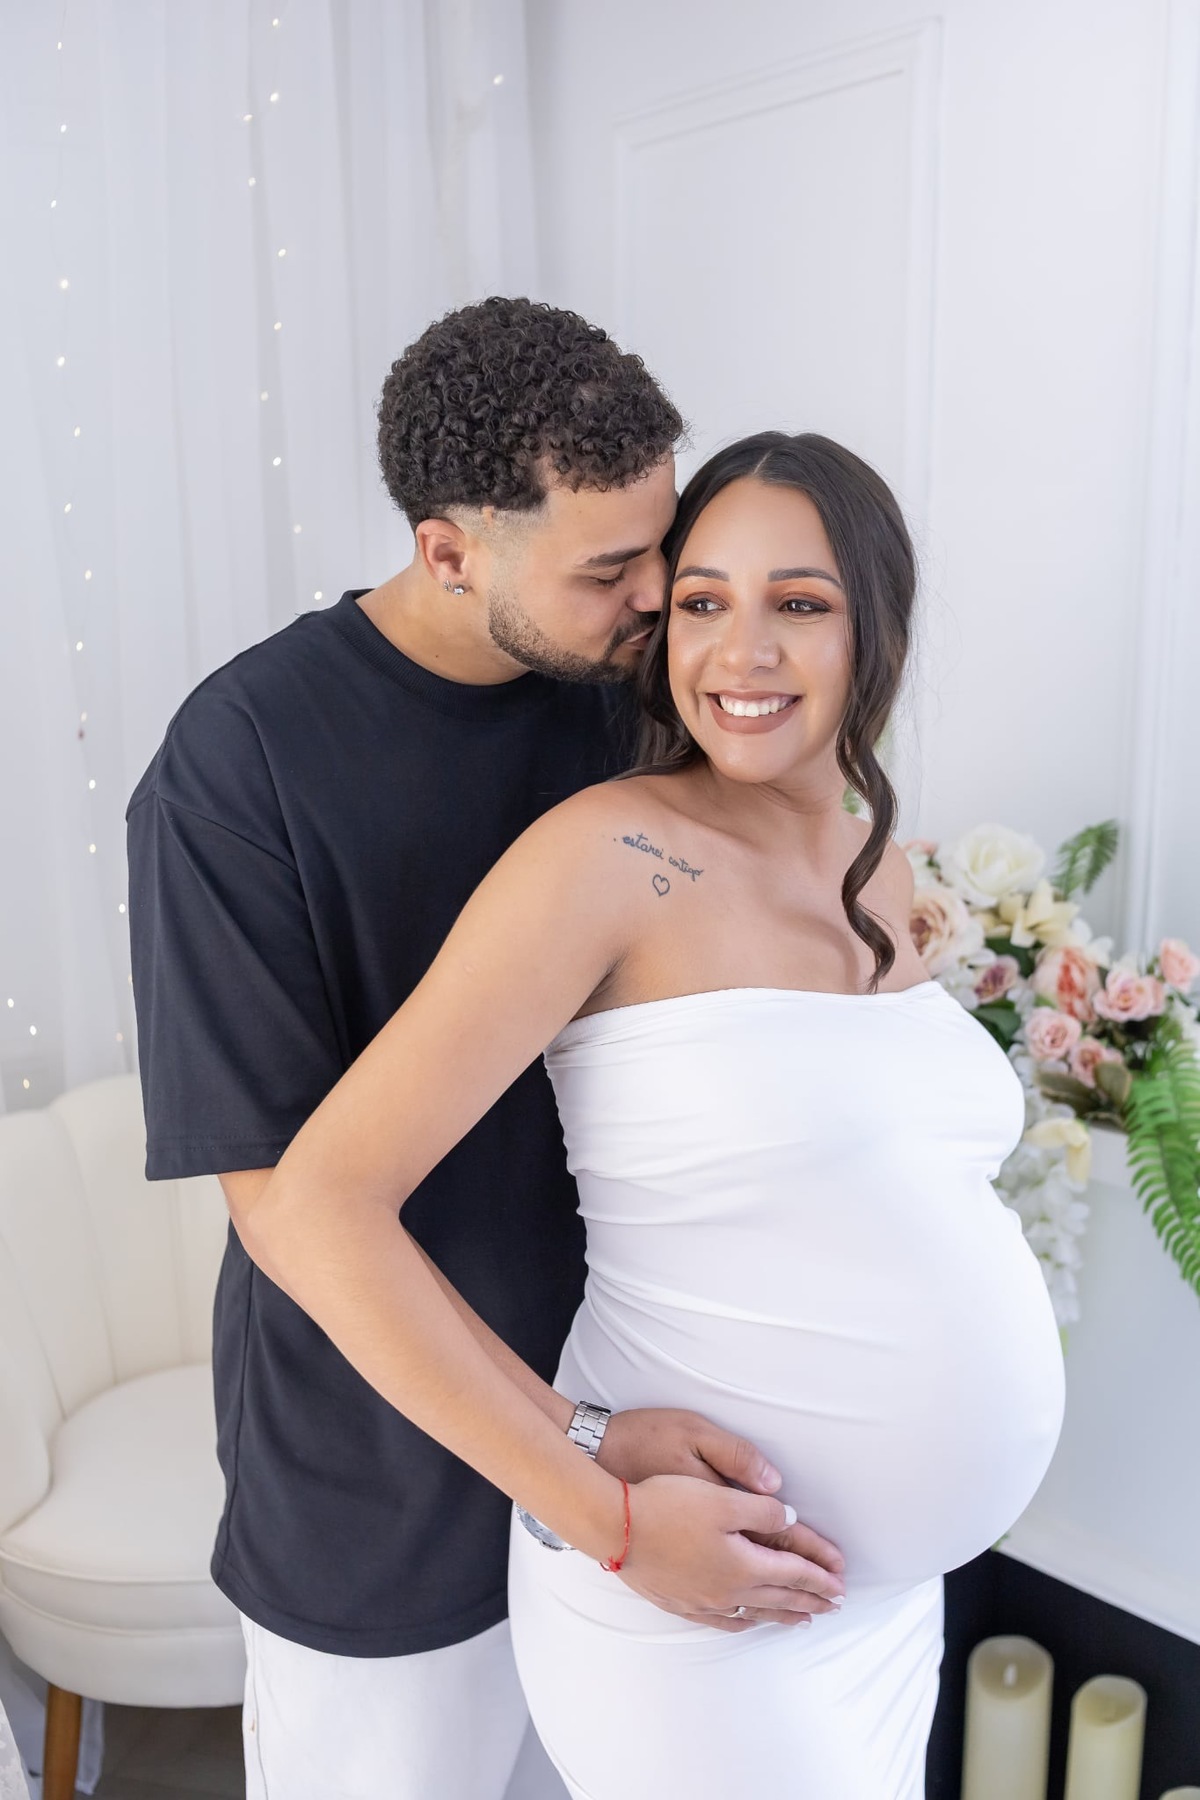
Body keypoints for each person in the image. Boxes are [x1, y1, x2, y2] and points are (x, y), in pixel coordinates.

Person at [231, 430, 1067, 1799]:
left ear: (877, 631)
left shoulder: (876, 859)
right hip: (692, 1598)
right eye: (701, 603)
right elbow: (316, 1210)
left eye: (799, 604)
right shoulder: (610, 854)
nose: (742, 651)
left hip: (876, 1601)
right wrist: (604, 1511)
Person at [126, 303, 844, 1800]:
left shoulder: (626, 702)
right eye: (610, 570)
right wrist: (595, 1492)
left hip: (640, 1432)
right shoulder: (235, 766)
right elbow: (294, 1217)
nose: (661, 598)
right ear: (450, 550)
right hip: (382, 1498)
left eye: (664, 548)